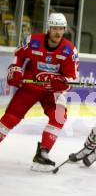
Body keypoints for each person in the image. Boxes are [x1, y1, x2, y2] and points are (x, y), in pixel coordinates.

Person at [0, 13, 78, 171]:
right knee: (11, 117)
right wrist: (14, 70)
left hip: (51, 91)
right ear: (48, 28)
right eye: (54, 28)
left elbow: (73, 78)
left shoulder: (69, 50)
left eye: (61, 29)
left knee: (59, 116)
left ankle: (43, 153)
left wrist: (62, 84)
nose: (57, 32)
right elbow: (18, 55)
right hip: (31, 87)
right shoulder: (32, 41)